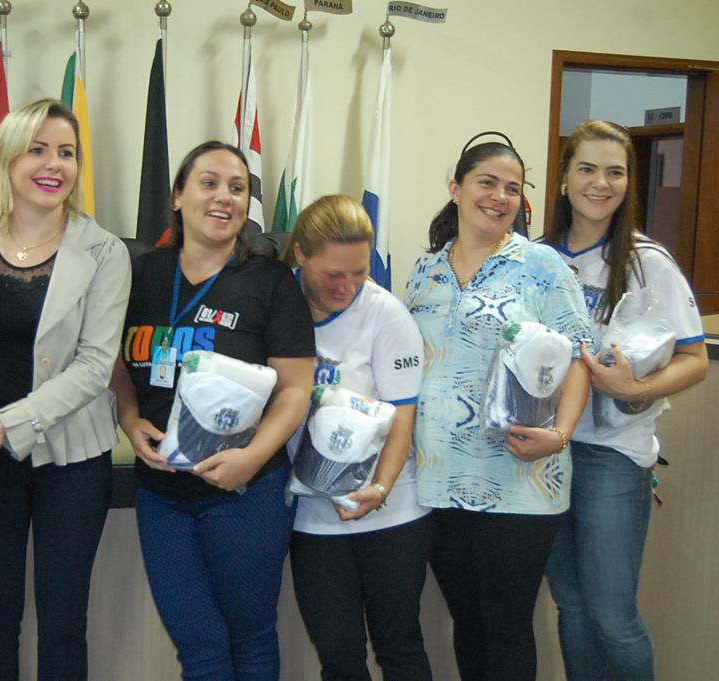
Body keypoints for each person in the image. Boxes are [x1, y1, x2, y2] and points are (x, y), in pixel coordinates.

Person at [0, 98, 130, 681]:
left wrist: (12, 423)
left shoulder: (105, 252)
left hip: (73, 459)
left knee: (64, 622)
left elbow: (96, 365)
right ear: (8, 159)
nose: (54, 164)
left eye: (66, 152)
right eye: (38, 150)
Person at [111, 140, 315, 681]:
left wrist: (252, 458)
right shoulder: (141, 275)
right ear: (177, 197)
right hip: (162, 495)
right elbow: (112, 361)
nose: (225, 196)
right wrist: (129, 418)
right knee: (199, 650)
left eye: (238, 188)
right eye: (209, 183)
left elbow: (296, 389)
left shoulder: (270, 282)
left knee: (250, 641)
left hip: (247, 494)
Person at [404, 133, 593, 681]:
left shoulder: (543, 265)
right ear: (456, 189)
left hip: (521, 475)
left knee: (506, 624)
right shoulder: (425, 270)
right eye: (487, 183)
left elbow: (580, 358)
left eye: (513, 188)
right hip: (438, 476)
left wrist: (560, 434)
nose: (500, 197)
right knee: (468, 621)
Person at [542, 120, 707, 681]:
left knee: (614, 618)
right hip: (545, 455)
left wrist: (634, 388)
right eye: (587, 168)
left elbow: (694, 358)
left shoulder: (646, 261)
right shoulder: (537, 258)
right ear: (564, 178)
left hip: (612, 457)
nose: (600, 183)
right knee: (573, 608)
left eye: (615, 172)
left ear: (629, 182)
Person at [282, 194, 433, 681]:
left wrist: (381, 488)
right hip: (314, 515)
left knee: (399, 646)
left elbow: (403, 417)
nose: (347, 287)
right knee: (339, 656)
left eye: (359, 272)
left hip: (392, 510)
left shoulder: (386, 315)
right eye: (333, 275)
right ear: (301, 255)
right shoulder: (277, 304)